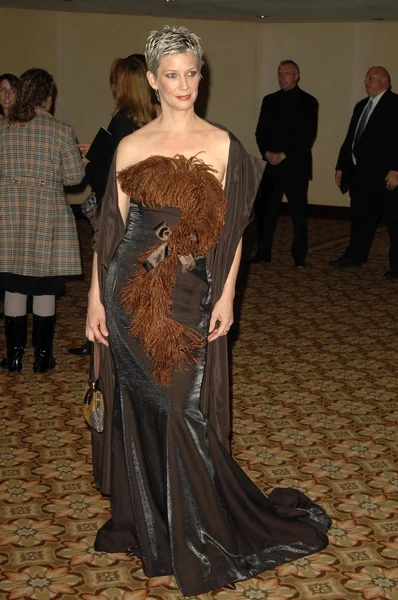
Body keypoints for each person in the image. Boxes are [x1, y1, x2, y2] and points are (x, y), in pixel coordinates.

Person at [86, 26, 330, 597]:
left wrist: (225, 296)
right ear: (151, 79)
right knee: (141, 407)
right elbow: (111, 233)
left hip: (191, 291)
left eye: (192, 73)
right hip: (128, 290)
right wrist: (97, 299)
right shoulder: (130, 145)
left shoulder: (223, 145)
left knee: (182, 410)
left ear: (201, 75)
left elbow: (234, 231)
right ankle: (157, 523)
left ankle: (202, 527)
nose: (184, 85)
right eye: (171, 74)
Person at [69, 54, 158, 356]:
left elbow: (113, 174)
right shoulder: (153, 119)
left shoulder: (121, 121)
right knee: (137, 276)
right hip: (146, 215)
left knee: (111, 273)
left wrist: (90, 160)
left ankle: (104, 335)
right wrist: (96, 151)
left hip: (121, 214)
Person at [0, 68, 84, 372]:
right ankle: (43, 357)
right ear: (47, 98)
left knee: (14, 287)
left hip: (8, 218)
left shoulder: (3, 129)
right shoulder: (61, 131)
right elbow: (74, 177)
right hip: (47, 219)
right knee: (45, 288)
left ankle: (15, 356)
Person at [330, 66, 398, 276]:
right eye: (366, 78)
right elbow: (351, 137)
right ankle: (355, 256)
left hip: (386, 176)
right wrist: (342, 165)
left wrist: (396, 169)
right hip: (360, 175)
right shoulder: (361, 106)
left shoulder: (395, 104)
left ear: (385, 80)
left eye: (371, 78)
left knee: (394, 222)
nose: (366, 82)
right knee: (360, 219)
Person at [252, 60, 318, 267]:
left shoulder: (309, 102)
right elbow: (260, 131)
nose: (282, 77)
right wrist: (267, 153)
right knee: (266, 212)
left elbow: (307, 136)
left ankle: (299, 257)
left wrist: (284, 154)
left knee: (298, 214)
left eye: (287, 74)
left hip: (295, 166)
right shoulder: (269, 100)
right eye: (279, 73)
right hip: (271, 166)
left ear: (296, 76)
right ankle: (263, 252)